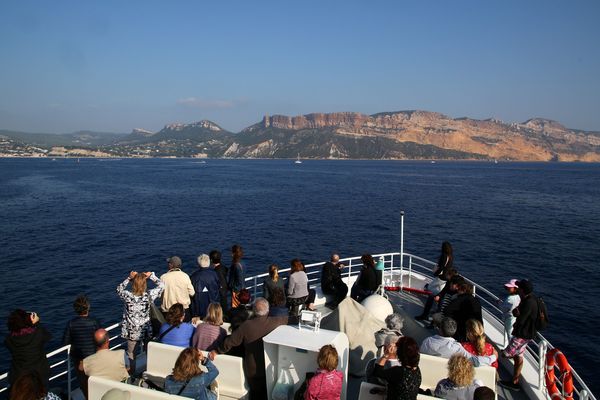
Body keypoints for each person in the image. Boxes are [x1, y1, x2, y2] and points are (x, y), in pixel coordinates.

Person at [211, 297, 288, 400]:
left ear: (254, 310)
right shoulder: (275, 322)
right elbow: (291, 319)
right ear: (268, 310)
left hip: (252, 369)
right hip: (269, 368)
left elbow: (230, 342)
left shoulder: (247, 325)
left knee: (256, 395)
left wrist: (217, 351)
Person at [116, 270, 164, 375]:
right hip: (146, 330)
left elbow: (119, 289)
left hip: (132, 332)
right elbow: (162, 285)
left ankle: (132, 376)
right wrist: (151, 276)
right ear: (144, 284)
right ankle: (151, 373)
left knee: (131, 356)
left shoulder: (127, 296)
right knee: (149, 352)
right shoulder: (149, 295)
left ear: (133, 284)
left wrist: (129, 278)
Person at [500, 279, 539, 391]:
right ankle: (515, 382)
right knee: (518, 356)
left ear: (522, 290)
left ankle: (513, 381)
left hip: (521, 335)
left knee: (505, 354)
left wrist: (516, 313)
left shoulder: (528, 302)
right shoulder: (533, 299)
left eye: (519, 288)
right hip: (528, 335)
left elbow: (521, 320)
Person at [62, 294, 100, 397]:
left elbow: (65, 343)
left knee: (83, 382)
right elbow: (100, 338)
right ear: (88, 307)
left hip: (79, 359)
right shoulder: (94, 322)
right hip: (93, 356)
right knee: (95, 380)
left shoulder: (71, 323)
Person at [420, 317, 496, 367]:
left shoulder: (427, 342)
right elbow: (476, 362)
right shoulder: (457, 348)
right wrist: (494, 357)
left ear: (440, 329)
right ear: (454, 331)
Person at [5, 309, 51, 387]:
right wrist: (36, 323)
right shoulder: (38, 334)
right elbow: (47, 336)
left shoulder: (9, 340)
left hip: (19, 376)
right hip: (39, 375)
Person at [161, 256, 195, 320]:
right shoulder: (185, 276)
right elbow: (192, 293)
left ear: (171, 265)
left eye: (169, 263)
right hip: (184, 310)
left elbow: (159, 294)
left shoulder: (163, 278)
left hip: (169, 311)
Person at [190, 254, 221, 319]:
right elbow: (218, 287)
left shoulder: (194, 276)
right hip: (213, 308)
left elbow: (191, 292)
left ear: (199, 263)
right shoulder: (214, 274)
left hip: (199, 310)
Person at [499, 279, 520, 348]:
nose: (508, 288)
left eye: (510, 287)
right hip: (517, 318)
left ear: (515, 288)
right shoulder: (519, 297)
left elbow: (503, 308)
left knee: (510, 335)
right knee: (514, 335)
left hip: (509, 318)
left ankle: (511, 351)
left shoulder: (510, 299)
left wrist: (499, 303)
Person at [210, 250, 229, 314]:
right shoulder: (224, 268)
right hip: (224, 292)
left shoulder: (215, 272)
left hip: (220, 295)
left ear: (211, 260)